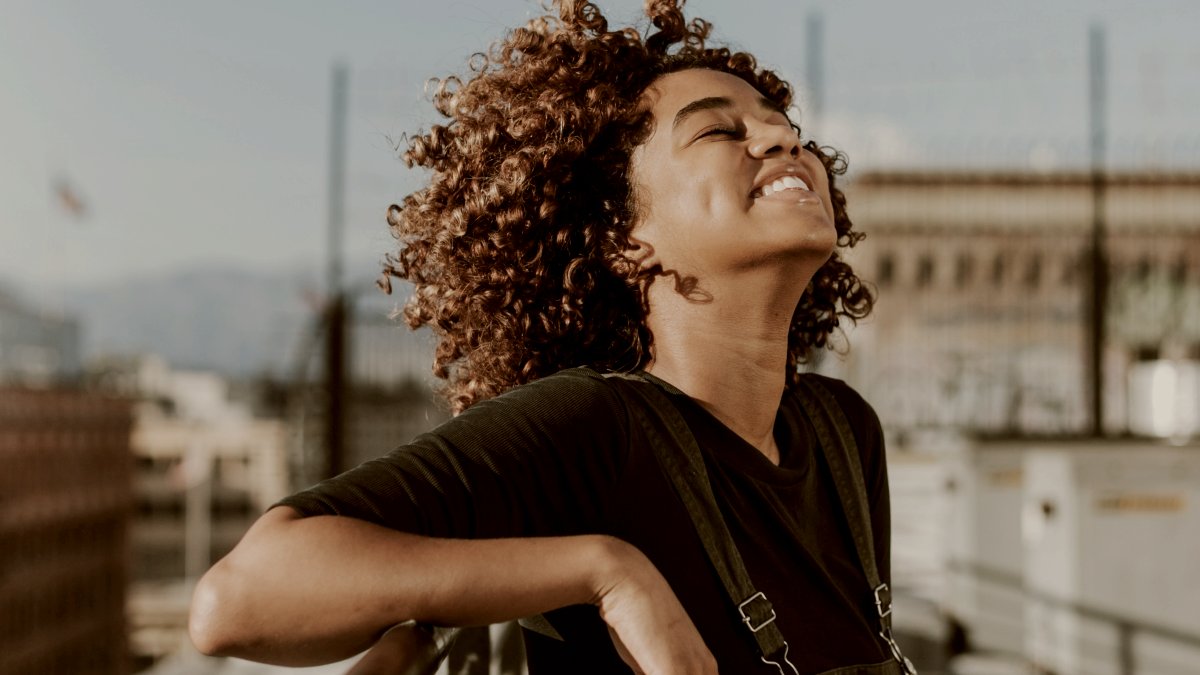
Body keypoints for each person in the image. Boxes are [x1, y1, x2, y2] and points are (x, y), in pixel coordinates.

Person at [189, 1, 900, 673]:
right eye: (719, 131)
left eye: (786, 128)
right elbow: (240, 596)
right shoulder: (596, 428)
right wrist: (605, 570)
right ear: (625, 239)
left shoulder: (844, 436)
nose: (784, 140)